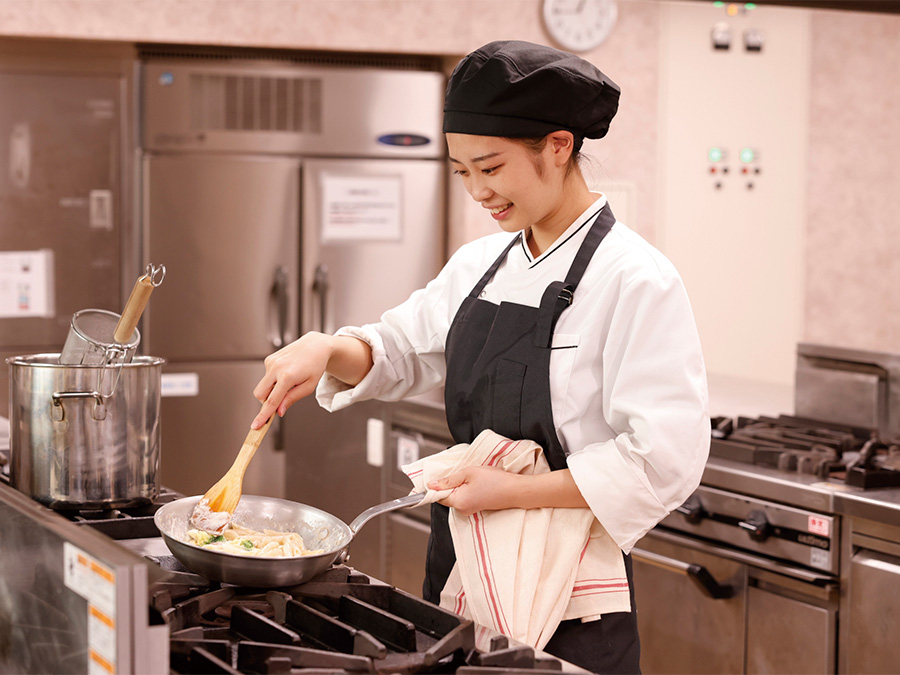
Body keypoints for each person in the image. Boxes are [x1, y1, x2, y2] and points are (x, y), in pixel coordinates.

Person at [251, 40, 710, 673]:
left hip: (570, 586)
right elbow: (400, 351)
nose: (477, 191)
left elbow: (662, 460)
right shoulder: (479, 265)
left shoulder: (635, 279)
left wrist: (513, 492)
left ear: (558, 146)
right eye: (461, 172)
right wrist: (329, 347)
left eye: (489, 168)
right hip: (463, 556)